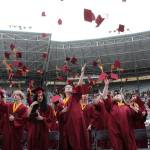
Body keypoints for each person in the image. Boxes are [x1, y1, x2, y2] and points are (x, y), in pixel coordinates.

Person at [58, 64, 91, 150]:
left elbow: (79, 84)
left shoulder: (75, 97)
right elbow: (58, 116)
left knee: (77, 142)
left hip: (76, 125)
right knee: (67, 144)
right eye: (67, 87)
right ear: (64, 91)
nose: (69, 88)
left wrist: (82, 72)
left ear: (72, 90)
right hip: (66, 127)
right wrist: (62, 112)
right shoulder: (60, 103)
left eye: (70, 87)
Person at [103, 79, 141, 150]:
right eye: (115, 95)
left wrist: (133, 107)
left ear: (122, 97)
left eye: (118, 94)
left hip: (127, 133)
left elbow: (137, 115)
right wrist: (106, 85)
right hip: (115, 134)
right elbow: (104, 96)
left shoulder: (127, 106)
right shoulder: (111, 106)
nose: (116, 95)